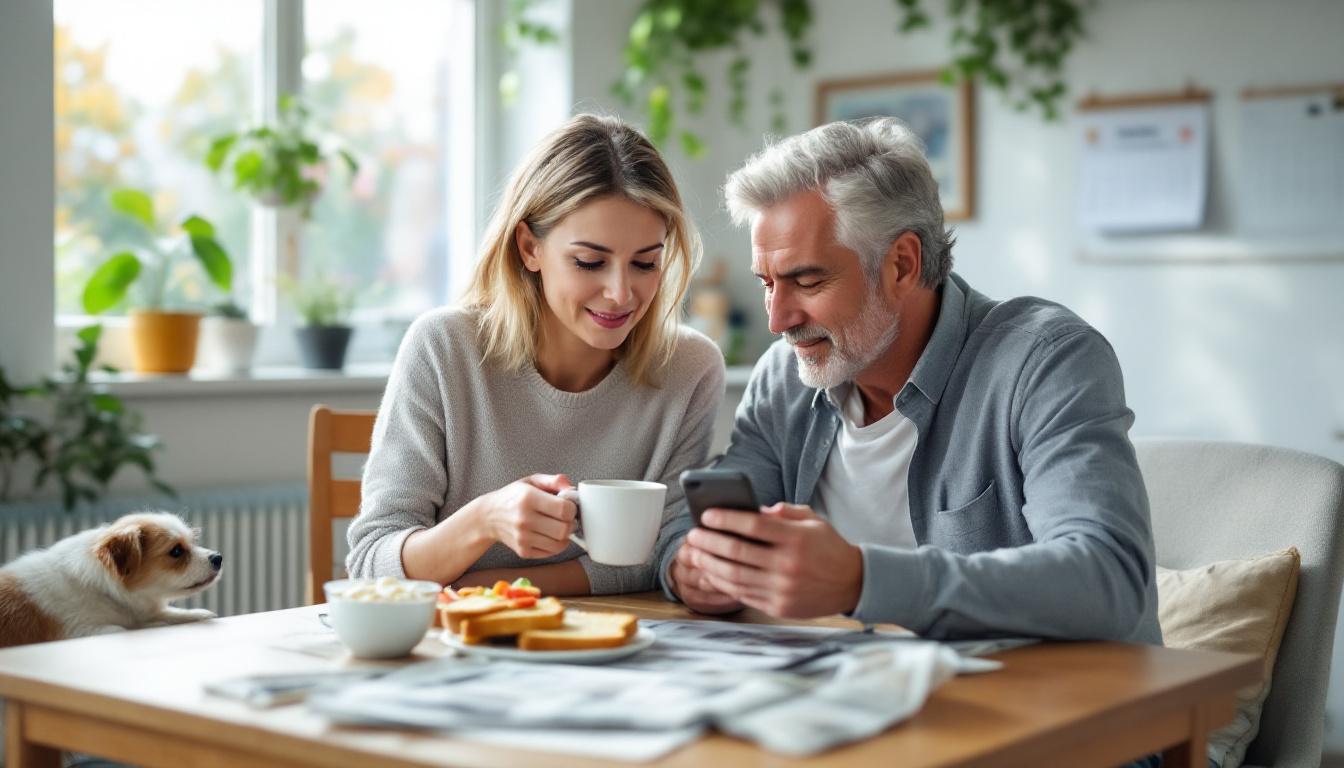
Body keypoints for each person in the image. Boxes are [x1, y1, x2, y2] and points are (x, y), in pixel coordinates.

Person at [660, 118, 1161, 644]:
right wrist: (690, 567)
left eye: (807, 281)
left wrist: (859, 580)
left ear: (902, 264)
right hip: (876, 700)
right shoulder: (784, 377)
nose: (777, 319)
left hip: (1067, 707)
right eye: (767, 283)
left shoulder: (1044, 361)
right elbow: (699, 528)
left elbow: (1108, 580)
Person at [347, 114, 725, 595]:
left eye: (646, 263)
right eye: (590, 262)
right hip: (453, 653)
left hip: (610, 653)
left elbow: (658, 557)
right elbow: (371, 563)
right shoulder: (444, 348)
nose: (621, 293)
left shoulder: (689, 369)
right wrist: (484, 520)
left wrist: (485, 586)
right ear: (529, 248)